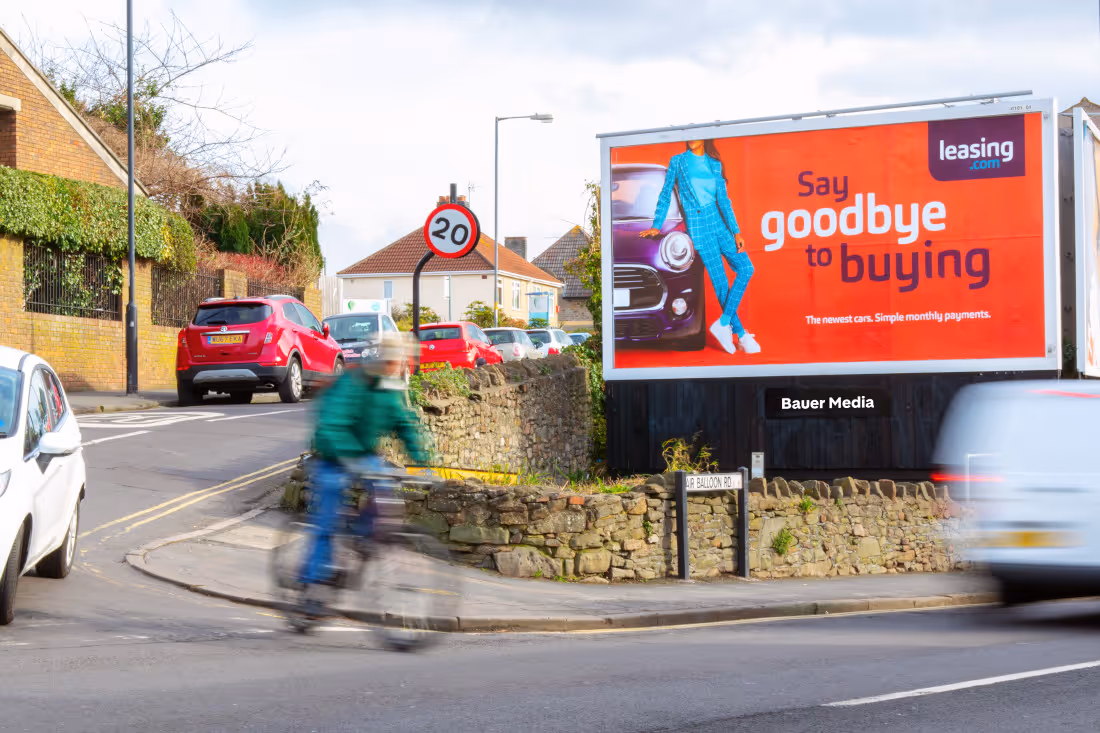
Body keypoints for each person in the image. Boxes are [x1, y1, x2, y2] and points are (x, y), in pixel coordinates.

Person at [300, 330, 432, 586]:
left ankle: (363, 537)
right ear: (384, 360)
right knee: (327, 521)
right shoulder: (353, 383)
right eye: (394, 361)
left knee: (385, 490)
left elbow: (404, 424)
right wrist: (350, 459)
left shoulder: (390, 389)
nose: (397, 366)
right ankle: (312, 582)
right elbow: (332, 425)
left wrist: (424, 460)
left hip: (362, 455)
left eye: (400, 361)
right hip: (331, 455)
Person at [639, 139, 760, 355]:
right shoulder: (678, 162)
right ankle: (741, 334)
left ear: (704, 136)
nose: (691, 138)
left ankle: (724, 324)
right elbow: (666, 194)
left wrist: (736, 230)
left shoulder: (714, 164)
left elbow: (723, 200)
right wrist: (657, 225)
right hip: (699, 226)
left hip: (719, 222)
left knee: (746, 268)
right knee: (721, 282)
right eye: (688, 134)